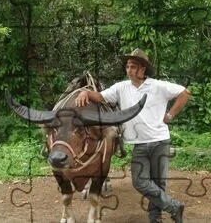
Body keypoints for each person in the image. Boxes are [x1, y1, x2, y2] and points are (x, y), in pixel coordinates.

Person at [75, 48, 190, 223]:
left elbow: (184, 93)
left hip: (160, 141)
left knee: (159, 184)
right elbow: (99, 97)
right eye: (127, 66)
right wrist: (85, 92)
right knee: (140, 182)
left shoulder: (158, 86)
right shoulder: (121, 88)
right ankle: (174, 206)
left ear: (143, 69)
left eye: (133, 66)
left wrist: (170, 115)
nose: (129, 70)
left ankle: (155, 218)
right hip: (139, 145)